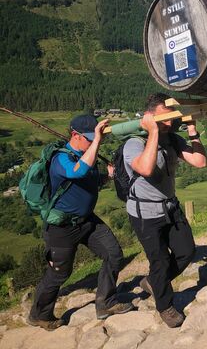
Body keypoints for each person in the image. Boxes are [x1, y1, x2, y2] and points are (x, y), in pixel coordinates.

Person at [29, 115, 133, 330]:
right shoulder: (61, 159)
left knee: (114, 254)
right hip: (62, 227)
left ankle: (106, 302)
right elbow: (78, 172)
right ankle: (39, 315)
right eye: (89, 138)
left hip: (87, 221)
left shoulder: (88, 155)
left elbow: (91, 180)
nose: (94, 142)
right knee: (59, 274)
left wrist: (108, 177)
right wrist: (96, 142)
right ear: (75, 135)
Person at [123, 93, 206, 328]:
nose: (170, 123)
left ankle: (153, 282)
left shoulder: (171, 139)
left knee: (186, 251)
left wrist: (192, 130)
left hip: (170, 207)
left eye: (173, 117)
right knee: (158, 260)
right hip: (145, 214)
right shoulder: (134, 143)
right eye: (165, 118)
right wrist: (153, 132)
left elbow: (200, 162)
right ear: (150, 116)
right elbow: (146, 169)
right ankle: (165, 306)